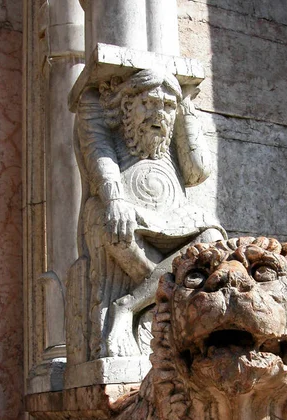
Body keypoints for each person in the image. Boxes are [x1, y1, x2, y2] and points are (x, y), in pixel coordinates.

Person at [74, 69, 224, 358]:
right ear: (127, 105)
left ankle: (131, 304)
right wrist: (115, 199)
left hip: (173, 212)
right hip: (126, 206)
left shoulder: (170, 132)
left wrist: (186, 112)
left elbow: (197, 172)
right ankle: (163, 299)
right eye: (150, 103)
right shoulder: (101, 114)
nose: (160, 114)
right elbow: (98, 155)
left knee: (212, 237)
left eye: (168, 107)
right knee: (113, 225)